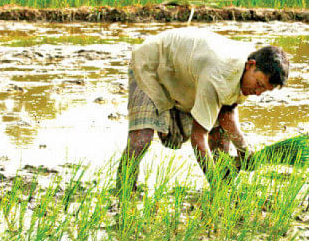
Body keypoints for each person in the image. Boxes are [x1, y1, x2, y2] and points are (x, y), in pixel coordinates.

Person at [117, 27, 290, 192]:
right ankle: (124, 191)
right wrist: (215, 185)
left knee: (221, 135)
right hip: (153, 64)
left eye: (264, 90)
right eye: (258, 84)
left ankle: (225, 189)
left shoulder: (246, 74)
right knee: (142, 138)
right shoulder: (219, 76)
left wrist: (244, 150)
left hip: (183, 75)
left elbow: (227, 113)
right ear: (250, 65)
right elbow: (198, 137)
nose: (258, 93)